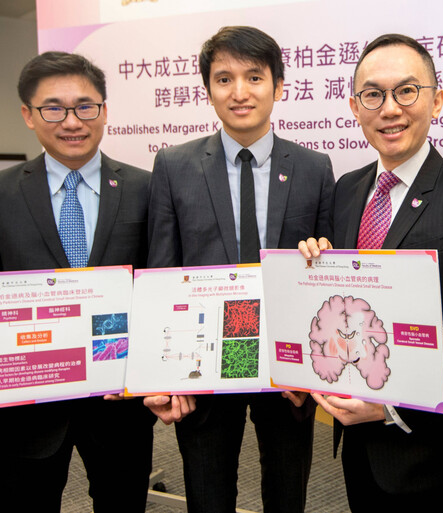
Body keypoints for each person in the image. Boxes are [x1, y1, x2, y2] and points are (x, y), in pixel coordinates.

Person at [0, 51, 156, 513]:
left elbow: (156, 286)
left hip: (117, 403)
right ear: (28, 115)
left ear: (104, 111)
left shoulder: (145, 189)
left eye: (85, 106)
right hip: (24, 409)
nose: (71, 121)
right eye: (53, 108)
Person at [300, 33, 443, 512]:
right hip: (356, 443)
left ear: (436, 100)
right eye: (373, 95)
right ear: (355, 107)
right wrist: (315, 266)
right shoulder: (346, 191)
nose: (389, 109)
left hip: (428, 453)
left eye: (406, 92)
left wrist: (391, 407)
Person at [143, 25, 335, 513]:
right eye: (224, 78)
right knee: (208, 496)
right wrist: (166, 370)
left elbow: (327, 277)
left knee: (287, 494)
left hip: (286, 368)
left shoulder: (314, 167)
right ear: (208, 89)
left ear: (279, 87)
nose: (240, 92)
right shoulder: (174, 165)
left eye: (255, 77)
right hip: (204, 364)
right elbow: (162, 270)